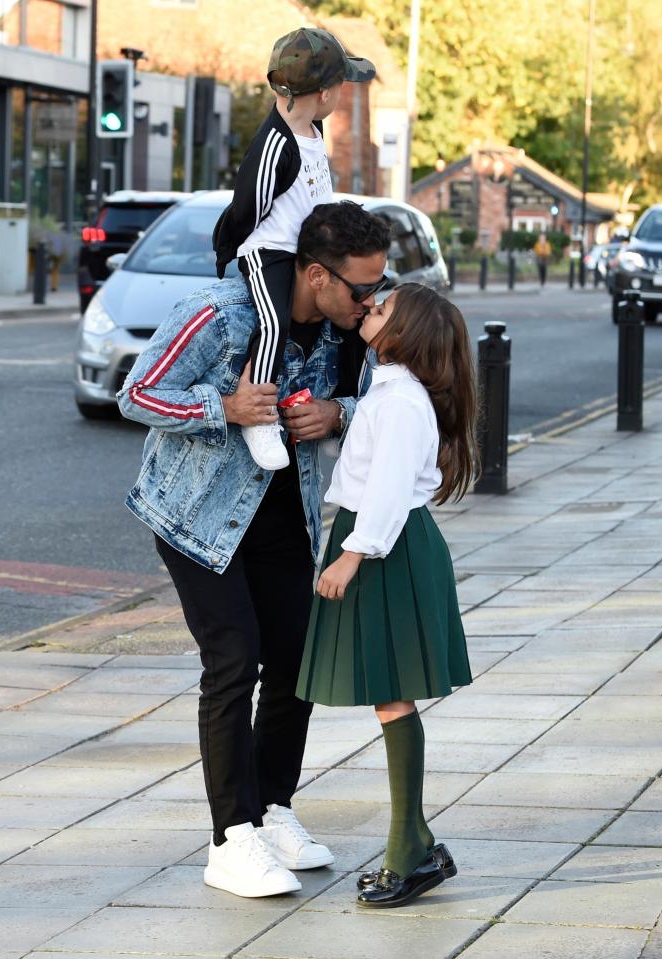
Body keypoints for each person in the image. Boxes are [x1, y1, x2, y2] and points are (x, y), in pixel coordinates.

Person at [117, 201, 391, 899]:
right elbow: (138, 392)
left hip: (279, 520)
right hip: (196, 518)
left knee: (296, 658)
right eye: (360, 289)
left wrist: (339, 414)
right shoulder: (221, 312)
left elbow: (388, 406)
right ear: (315, 275)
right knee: (234, 655)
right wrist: (225, 408)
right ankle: (230, 838)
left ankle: (271, 811)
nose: (370, 302)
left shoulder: (344, 334)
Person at [296, 283, 478, 908]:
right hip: (379, 538)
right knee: (388, 697)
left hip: (383, 543)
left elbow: (390, 486)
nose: (369, 308)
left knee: (392, 695)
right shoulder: (391, 387)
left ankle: (410, 852)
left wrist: (351, 554)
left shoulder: (401, 400)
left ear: (409, 334)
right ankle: (416, 842)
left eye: (383, 308)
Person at [212, 27, 375, 471]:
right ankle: (260, 417)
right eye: (341, 84)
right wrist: (230, 251)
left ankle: (352, 400)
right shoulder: (276, 146)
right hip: (271, 252)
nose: (342, 93)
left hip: (309, 250)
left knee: (348, 321)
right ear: (324, 94)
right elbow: (249, 205)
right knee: (272, 325)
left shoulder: (312, 129)